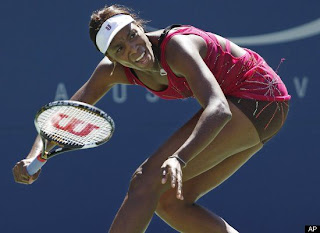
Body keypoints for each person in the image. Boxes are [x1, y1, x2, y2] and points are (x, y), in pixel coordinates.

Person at [12, 4, 291, 233]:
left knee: (145, 182)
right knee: (170, 201)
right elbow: (65, 114)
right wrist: (34, 156)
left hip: (259, 100)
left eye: (132, 35)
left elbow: (218, 109)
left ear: (139, 25)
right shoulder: (111, 71)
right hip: (259, 112)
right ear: (110, 58)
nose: (132, 48)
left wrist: (179, 158)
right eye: (119, 49)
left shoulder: (177, 47)